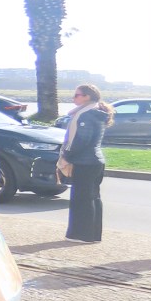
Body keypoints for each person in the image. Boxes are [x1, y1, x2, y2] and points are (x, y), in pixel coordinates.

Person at [57, 84, 112, 243]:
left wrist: (66, 155)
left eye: (77, 95)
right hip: (95, 161)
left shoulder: (86, 115)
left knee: (81, 199)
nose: (74, 98)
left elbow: (81, 140)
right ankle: (93, 234)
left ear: (87, 97)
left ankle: (82, 235)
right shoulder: (96, 113)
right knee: (93, 197)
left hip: (85, 162)